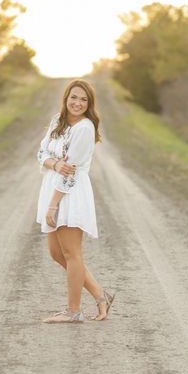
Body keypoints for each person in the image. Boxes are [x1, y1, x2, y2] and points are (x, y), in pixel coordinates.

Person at [36, 79, 115, 323]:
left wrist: (54, 203)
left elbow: (71, 171)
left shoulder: (85, 128)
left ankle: (73, 311)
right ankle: (101, 295)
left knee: (71, 253)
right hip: (52, 187)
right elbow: (41, 153)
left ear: (89, 104)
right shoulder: (57, 121)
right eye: (74, 97)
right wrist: (55, 163)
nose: (78, 103)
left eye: (83, 99)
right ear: (66, 98)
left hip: (69, 193)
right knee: (56, 253)